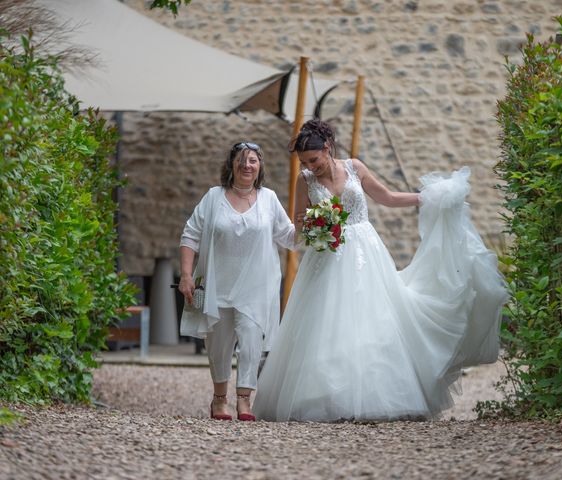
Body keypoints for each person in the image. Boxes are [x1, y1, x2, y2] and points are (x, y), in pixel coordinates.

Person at [253, 119, 508, 422]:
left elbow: (386, 197)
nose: (311, 167)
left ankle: (382, 394)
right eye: (305, 162)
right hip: (326, 256)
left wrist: (427, 198)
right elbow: (298, 222)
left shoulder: (354, 168)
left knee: (376, 317)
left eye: (314, 160)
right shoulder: (304, 180)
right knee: (328, 321)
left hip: (366, 251)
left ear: (328, 148)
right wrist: (315, 225)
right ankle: (328, 398)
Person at [178, 142, 295, 421]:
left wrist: (314, 225)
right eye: (241, 160)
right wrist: (185, 275)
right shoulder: (213, 197)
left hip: (256, 286)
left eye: (253, 161)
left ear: (259, 167)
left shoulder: (269, 199)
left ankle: (244, 400)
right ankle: (219, 399)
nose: (247, 165)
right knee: (218, 344)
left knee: (252, 340)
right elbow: (190, 235)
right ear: (231, 165)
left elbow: (289, 236)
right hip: (218, 284)